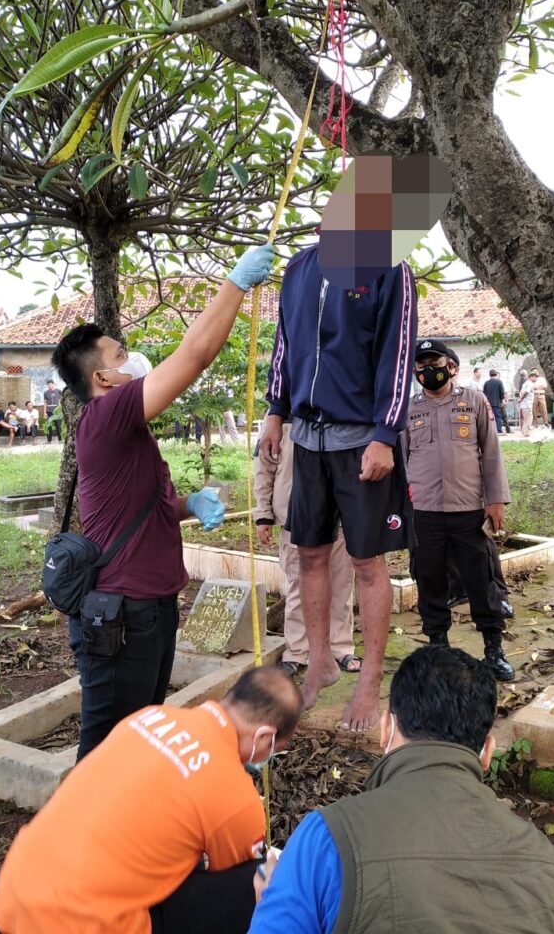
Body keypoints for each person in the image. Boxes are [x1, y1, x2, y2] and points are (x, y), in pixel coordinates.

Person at [50, 243, 272, 761]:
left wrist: (190, 504)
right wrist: (234, 284)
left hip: (149, 608)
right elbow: (194, 355)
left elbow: (148, 506)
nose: (136, 361)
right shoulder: (109, 414)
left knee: (139, 734)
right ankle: (85, 838)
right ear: (102, 378)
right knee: (106, 749)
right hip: (122, 615)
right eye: (122, 356)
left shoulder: (129, 433)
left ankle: (130, 835)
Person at [250, 646, 554, 934]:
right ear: (487, 752)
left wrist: (272, 900)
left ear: (386, 729)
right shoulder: (548, 865)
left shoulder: (327, 837)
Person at [0, 666, 303, 934]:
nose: (266, 759)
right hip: (87, 924)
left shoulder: (150, 717)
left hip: (13, 902)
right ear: (264, 737)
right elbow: (239, 876)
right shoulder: (236, 797)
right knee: (265, 880)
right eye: (272, 751)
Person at [261, 238, 416, 733]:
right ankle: (320, 662)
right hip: (307, 439)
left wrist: (385, 434)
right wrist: (275, 409)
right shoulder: (300, 266)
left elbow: (399, 349)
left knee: (367, 561)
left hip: (361, 439)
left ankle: (369, 677)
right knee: (308, 551)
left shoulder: (389, 265)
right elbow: (285, 340)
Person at [406, 340, 514, 680]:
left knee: (481, 581)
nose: (428, 370)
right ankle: (439, 648)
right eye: (420, 366)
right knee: (430, 580)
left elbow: (491, 453)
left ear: (451, 367)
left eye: (434, 362)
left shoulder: (474, 401)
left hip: (468, 509)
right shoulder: (409, 410)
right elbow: (400, 461)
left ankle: (493, 651)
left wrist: (495, 500)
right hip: (423, 511)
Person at [254, 420, 359, 677]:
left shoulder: (337, 405)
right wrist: (263, 514)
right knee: (298, 585)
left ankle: (339, 647)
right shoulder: (279, 416)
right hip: (295, 516)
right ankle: (297, 651)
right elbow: (264, 467)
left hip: (340, 513)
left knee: (341, 584)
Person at [482, 369, 507, 435]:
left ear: (489, 375)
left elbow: (484, 393)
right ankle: (498, 430)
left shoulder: (486, 383)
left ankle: (489, 431)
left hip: (488, 403)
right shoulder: (499, 382)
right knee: (497, 416)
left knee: (489, 417)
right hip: (496, 402)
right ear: (496, 374)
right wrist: (502, 399)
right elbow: (502, 392)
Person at [517, 369, 534, 435]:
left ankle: (523, 431)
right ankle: (526, 432)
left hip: (523, 404)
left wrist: (520, 399)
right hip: (527, 404)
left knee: (525, 418)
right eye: (534, 376)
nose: (535, 378)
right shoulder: (529, 383)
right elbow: (526, 392)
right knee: (528, 418)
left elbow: (521, 392)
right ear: (530, 376)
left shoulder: (523, 383)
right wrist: (521, 399)